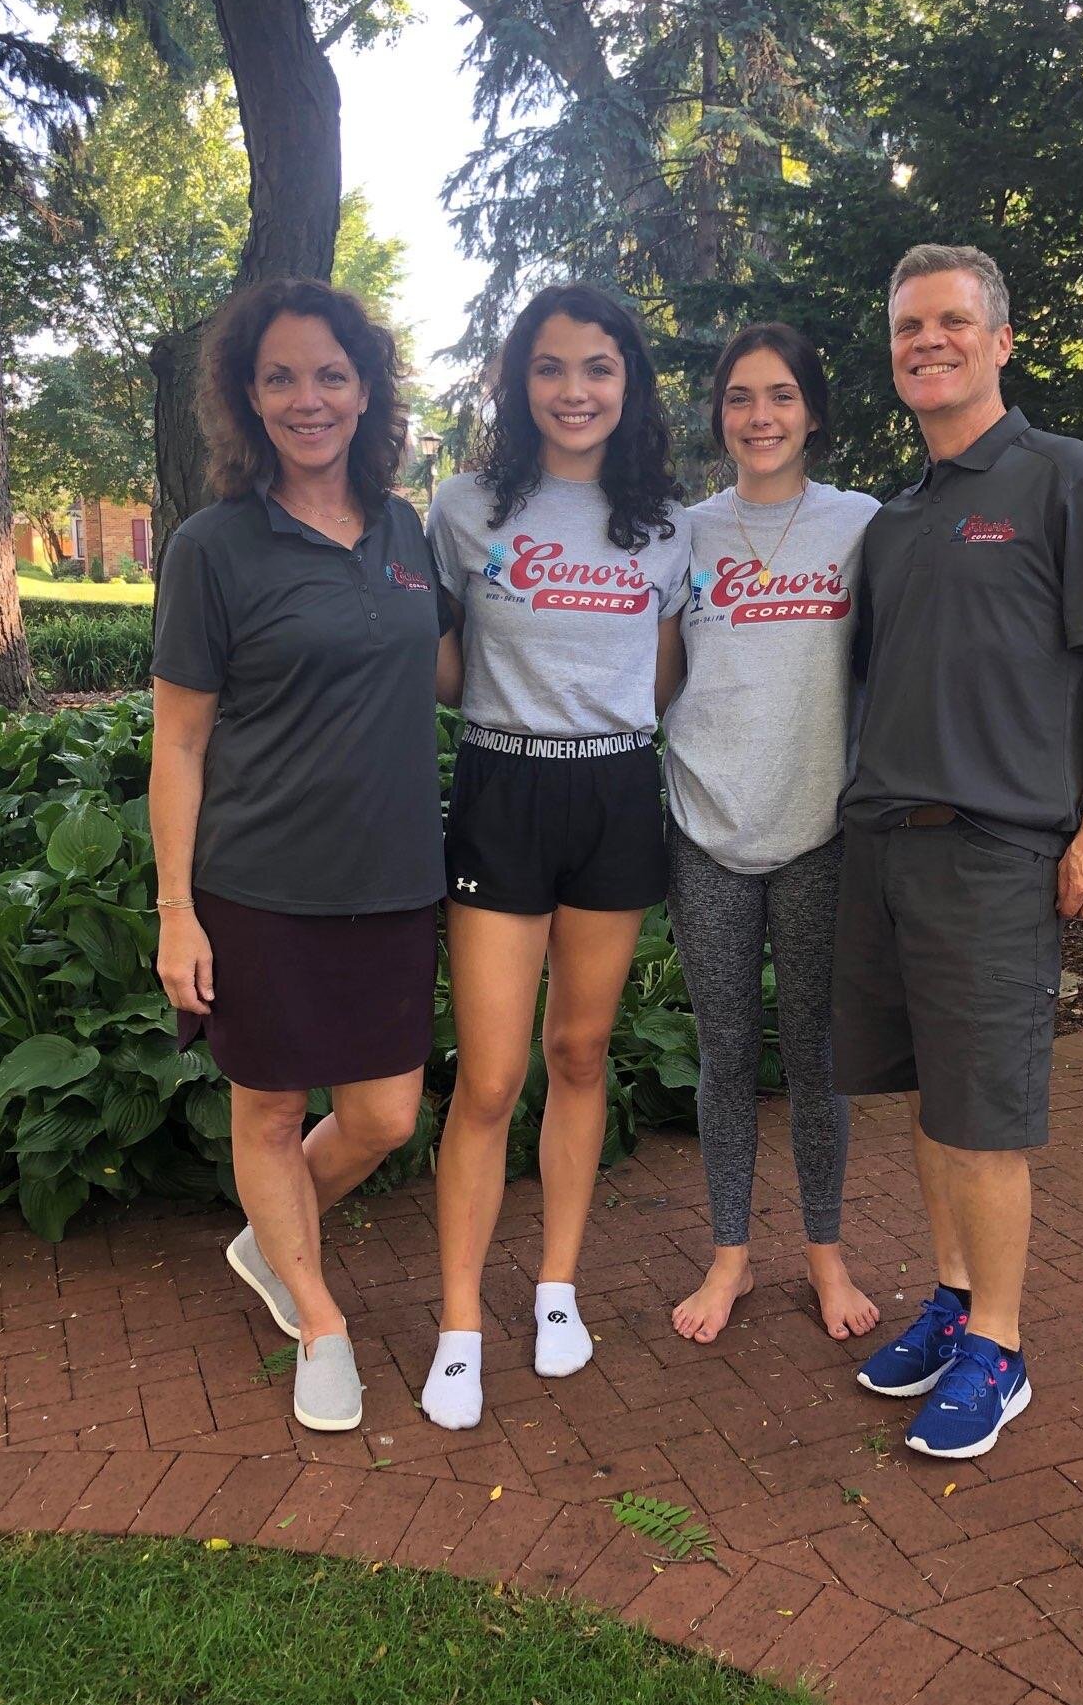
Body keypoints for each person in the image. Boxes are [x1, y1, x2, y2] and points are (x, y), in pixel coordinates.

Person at [837, 244, 1083, 1459]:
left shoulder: (1062, 478)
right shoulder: (898, 516)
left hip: (996, 849)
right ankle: (958, 1298)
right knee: (930, 1096)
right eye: (910, 323)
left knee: (985, 1116)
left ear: (1001, 339)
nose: (929, 339)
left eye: (953, 321)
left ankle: (1003, 1350)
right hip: (886, 844)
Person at [150, 277, 461, 1437]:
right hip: (259, 883)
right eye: (279, 375)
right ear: (246, 395)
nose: (307, 397)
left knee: (383, 1116)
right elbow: (178, 741)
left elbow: (448, 673)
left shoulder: (403, 528)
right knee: (271, 1109)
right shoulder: (213, 547)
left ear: (367, 388)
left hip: (390, 879)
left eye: (330, 373)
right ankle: (319, 1318)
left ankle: (265, 1237)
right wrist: (177, 907)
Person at [421, 283, 690, 1430]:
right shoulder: (465, 506)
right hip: (503, 785)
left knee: (579, 1051)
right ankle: (458, 1323)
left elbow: (669, 673)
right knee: (488, 1078)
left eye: (598, 369)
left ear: (628, 387)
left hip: (618, 789)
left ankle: (557, 1286)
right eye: (551, 367)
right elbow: (436, 655)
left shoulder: (670, 524)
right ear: (515, 381)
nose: (575, 390)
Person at [661, 323, 882, 1344]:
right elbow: (652, 674)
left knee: (813, 1052)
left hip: (819, 828)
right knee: (724, 1050)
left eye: (782, 395)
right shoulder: (682, 532)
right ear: (720, 414)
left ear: (815, 413)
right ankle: (731, 1254)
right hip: (705, 825)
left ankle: (827, 1255)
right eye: (742, 397)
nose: (761, 415)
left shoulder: (862, 527)